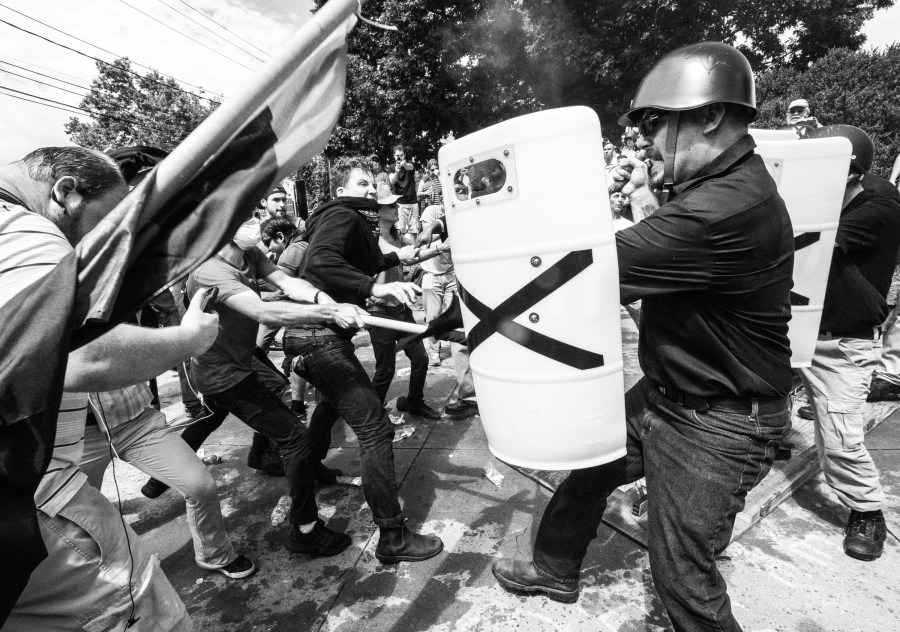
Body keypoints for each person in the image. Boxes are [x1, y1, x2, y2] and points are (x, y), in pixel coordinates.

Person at [492, 42, 795, 632]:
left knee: (682, 574)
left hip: (719, 423)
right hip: (667, 395)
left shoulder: (721, 211)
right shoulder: (716, 191)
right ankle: (555, 567)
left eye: (656, 125)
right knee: (593, 469)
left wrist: (485, 276)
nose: (647, 143)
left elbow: (582, 273)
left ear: (708, 116)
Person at [1, 146, 217, 630]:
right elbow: (77, 355)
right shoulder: (23, 227)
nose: (118, 239)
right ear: (67, 193)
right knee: (148, 613)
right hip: (33, 496)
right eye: (112, 220)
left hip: (112, 431)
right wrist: (191, 338)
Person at [140, 218, 369, 558]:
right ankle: (305, 528)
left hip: (241, 361)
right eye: (245, 210)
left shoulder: (249, 253)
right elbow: (263, 312)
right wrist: (330, 312)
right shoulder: (208, 269)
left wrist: (324, 298)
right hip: (223, 373)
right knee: (296, 438)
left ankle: (178, 475)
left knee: (214, 416)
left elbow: (287, 282)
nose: (255, 218)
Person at [290, 158, 444, 563]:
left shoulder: (352, 221)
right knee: (375, 429)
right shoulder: (343, 213)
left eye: (370, 185)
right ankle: (392, 536)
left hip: (315, 337)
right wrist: (376, 290)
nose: (368, 191)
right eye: (359, 183)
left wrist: (418, 254)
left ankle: (311, 477)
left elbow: (375, 261)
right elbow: (322, 263)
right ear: (342, 192)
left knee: (327, 407)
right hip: (320, 336)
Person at [797, 125, 900, 561]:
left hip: (840, 342)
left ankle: (867, 510)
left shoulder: (879, 206)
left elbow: (812, 244)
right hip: (793, 323)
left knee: (840, 439)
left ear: (851, 176)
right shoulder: (833, 188)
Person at [366, 182, 441, 419]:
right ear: (377, 211)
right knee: (385, 370)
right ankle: (374, 416)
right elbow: (405, 258)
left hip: (401, 309)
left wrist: (441, 247)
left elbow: (414, 253)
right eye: (390, 205)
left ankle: (415, 402)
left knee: (420, 358)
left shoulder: (398, 235)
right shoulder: (372, 239)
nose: (396, 207)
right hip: (381, 313)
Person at [389, 144, 419, 238]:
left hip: (413, 202)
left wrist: (404, 164)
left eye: (401, 155)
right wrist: (397, 171)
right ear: (394, 156)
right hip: (400, 203)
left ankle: (415, 249)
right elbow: (392, 181)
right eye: (397, 155)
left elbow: (410, 167)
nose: (399, 157)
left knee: (414, 231)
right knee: (400, 231)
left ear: (404, 155)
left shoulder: (410, 162)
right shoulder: (391, 167)